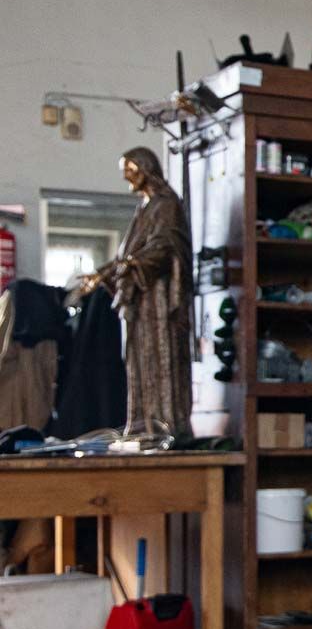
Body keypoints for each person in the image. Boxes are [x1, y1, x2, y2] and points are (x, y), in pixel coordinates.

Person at [77, 146, 193, 440]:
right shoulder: (144, 207)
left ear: (145, 168)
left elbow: (164, 247)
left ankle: (165, 424)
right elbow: (128, 254)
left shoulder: (166, 205)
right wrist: (103, 273)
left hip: (157, 298)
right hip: (139, 300)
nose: (126, 176)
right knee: (137, 359)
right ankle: (143, 424)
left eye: (130, 169)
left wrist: (129, 266)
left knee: (159, 358)